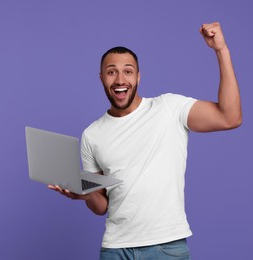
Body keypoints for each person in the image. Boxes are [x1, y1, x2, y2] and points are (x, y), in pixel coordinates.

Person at [48, 22, 242, 259]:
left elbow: (229, 117)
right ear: (101, 78)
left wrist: (221, 50)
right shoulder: (92, 134)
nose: (120, 80)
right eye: (112, 72)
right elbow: (102, 206)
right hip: (115, 248)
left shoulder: (169, 108)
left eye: (128, 71)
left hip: (165, 247)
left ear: (138, 77)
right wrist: (85, 193)